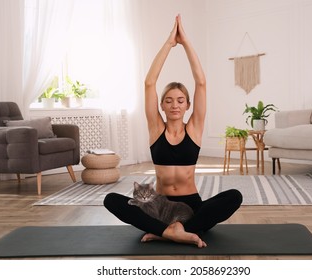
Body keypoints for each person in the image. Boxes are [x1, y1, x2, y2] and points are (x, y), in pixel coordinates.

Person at [104, 14, 242, 248]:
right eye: (168, 100)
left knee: (234, 197)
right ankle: (172, 231)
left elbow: (201, 83)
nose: (175, 105)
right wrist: (169, 43)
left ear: (188, 105)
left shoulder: (195, 128)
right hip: (159, 206)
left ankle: (168, 232)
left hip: (191, 206)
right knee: (111, 200)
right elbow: (149, 82)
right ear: (162, 105)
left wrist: (186, 42)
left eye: (180, 100)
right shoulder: (156, 128)